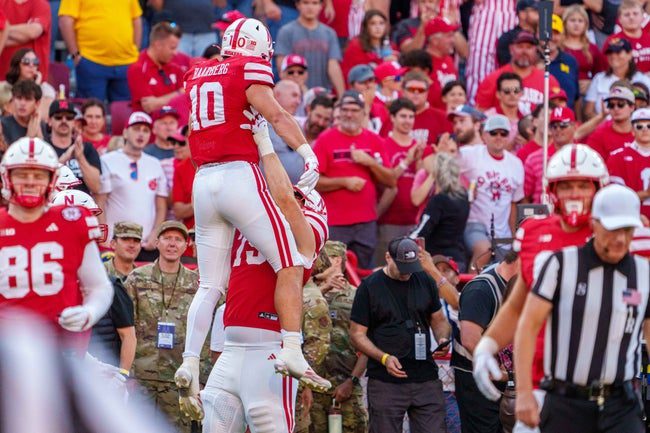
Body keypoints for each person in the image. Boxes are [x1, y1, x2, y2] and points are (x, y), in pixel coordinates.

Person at [179, 17, 328, 404]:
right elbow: (277, 115)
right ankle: (293, 349)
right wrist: (306, 153)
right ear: (254, 45)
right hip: (237, 175)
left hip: (202, 181)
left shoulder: (197, 71)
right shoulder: (248, 67)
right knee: (291, 262)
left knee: (209, 284)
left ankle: (190, 361)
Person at [196, 141, 330, 432]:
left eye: (300, 198)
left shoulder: (310, 231)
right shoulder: (257, 222)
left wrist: (265, 144)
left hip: (269, 351)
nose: (288, 201)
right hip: (231, 350)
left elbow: (283, 198)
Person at [472, 144, 608, 410]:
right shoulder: (533, 231)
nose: (575, 194)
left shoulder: (615, 231)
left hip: (601, 374)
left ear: (598, 188)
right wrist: (488, 344)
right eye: (566, 186)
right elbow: (518, 303)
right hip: (542, 374)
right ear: (552, 190)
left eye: (583, 185)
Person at [514, 184, 647, 432]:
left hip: (622, 402)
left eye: (627, 230)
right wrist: (523, 393)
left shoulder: (643, 273)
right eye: (613, 229)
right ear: (594, 225)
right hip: (567, 401)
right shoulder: (561, 264)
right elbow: (527, 326)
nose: (620, 239)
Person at [0, 137, 112, 354]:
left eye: (39, 175)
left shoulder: (72, 221)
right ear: (7, 177)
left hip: (60, 347)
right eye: (22, 174)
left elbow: (99, 287)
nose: (31, 182)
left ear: (52, 179)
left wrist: (89, 311)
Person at [350, 237, 451, 433]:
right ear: (388, 257)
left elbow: (439, 320)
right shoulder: (370, 287)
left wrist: (442, 338)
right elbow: (357, 334)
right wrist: (384, 358)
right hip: (386, 381)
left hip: (425, 375)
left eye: (412, 267)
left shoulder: (424, 280)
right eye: (402, 267)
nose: (407, 273)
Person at [125, 220, 202, 432]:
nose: (172, 244)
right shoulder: (136, 279)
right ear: (157, 242)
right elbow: (125, 329)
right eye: (167, 238)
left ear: (186, 246)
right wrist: (127, 373)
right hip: (141, 377)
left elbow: (204, 332)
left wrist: (200, 378)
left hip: (179, 379)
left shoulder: (196, 284)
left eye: (178, 239)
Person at [313, 89, 396, 269]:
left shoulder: (374, 140)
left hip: (365, 224)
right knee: (333, 274)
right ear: (339, 111)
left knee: (364, 272)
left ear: (363, 113)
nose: (349, 114)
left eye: (354, 110)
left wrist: (370, 163)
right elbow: (313, 181)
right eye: (345, 109)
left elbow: (391, 181)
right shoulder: (325, 139)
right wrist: (344, 182)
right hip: (335, 223)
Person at [452, 252, 519, 433]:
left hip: (507, 379)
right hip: (478, 379)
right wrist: (503, 371)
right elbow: (470, 339)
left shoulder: (522, 285)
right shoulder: (482, 288)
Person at [308, 240, 369, 433]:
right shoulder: (309, 294)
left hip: (346, 381)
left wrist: (352, 381)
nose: (330, 263)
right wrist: (323, 288)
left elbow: (368, 342)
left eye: (333, 258)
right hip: (313, 383)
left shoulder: (357, 296)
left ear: (340, 261)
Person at [95, 111, 168, 260]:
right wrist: (105, 238)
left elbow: (161, 206)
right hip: (115, 244)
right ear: (125, 133)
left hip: (145, 244)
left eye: (145, 130)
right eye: (136, 129)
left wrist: (155, 234)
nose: (141, 134)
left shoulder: (155, 164)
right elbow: (100, 202)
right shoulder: (107, 160)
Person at [460, 114, 524, 271]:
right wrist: (462, 187)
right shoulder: (470, 154)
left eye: (503, 133)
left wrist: (514, 233)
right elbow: (446, 165)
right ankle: (471, 291)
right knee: (484, 251)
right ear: (483, 135)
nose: (499, 137)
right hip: (474, 223)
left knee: (507, 270)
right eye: (494, 133)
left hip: (503, 230)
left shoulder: (516, 164)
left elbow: (514, 203)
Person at [59, 0, 142, 102]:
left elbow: (136, 18)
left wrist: (135, 51)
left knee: (124, 115)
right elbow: (65, 19)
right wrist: (75, 55)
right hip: (91, 62)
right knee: (91, 113)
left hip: (126, 63)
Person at [376, 98, 424, 264]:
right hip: (389, 221)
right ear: (392, 118)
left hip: (415, 222)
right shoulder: (383, 144)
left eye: (411, 117)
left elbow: (423, 183)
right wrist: (407, 161)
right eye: (403, 116)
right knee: (386, 267)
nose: (408, 121)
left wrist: (418, 162)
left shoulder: (419, 146)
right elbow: (387, 180)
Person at [411, 153, 470, 272]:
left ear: (436, 174)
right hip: (458, 260)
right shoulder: (463, 197)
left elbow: (421, 232)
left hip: (438, 262)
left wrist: (404, 242)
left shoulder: (439, 200)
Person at [476, 31, 560, 115]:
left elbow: (558, 112)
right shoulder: (493, 79)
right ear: (511, 49)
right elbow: (481, 113)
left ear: (535, 50)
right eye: (520, 47)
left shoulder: (548, 80)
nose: (524, 51)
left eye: (529, 47)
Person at [275, 0, 345, 96]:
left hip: (322, 96)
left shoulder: (329, 33)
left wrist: (342, 95)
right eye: (306, 2)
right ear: (298, 5)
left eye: (315, 3)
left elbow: (333, 66)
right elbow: (282, 66)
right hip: (295, 96)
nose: (310, 7)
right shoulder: (286, 32)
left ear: (321, 6)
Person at [584, 38, 650, 118]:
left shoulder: (642, 79)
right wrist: (604, 124)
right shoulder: (599, 78)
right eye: (610, 53)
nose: (613, 56)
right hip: (604, 127)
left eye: (618, 52)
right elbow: (588, 112)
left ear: (630, 54)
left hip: (636, 127)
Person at [523, 106, 577, 204]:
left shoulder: (585, 157)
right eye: (554, 126)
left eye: (563, 125)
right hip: (542, 215)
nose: (558, 129)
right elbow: (525, 197)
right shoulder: (534, 159)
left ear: (574, 126)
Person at [127, 22, 184, 113]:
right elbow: (150, 107)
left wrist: (159, 101)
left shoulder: (176, 67)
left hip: (174, 122)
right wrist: (179, 94)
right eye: (172, 48)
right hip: (148, 124)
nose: (175, 53)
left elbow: (187, 96)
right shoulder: (137, 69)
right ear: (158, 45)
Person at [48, 99, 102, 195]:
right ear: (49, 121)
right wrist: (63, 160)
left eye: (69, 117)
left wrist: (80, 158)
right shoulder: (43, 148)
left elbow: (96, 188)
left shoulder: (87, 148)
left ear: (74, 122)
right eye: (58, 117)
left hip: (81, 206)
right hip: (53, 205)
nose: (64, 120)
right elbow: (42, 184)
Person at [607, 107, 650, 220]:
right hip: (631, 222)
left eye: (649, 126)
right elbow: (615, 201)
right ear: (632, 130)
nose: (645, 130)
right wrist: (645, 193)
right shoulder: (617, 157)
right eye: (639, 126)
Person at [561, 6, 607, 109]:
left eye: (580, 21)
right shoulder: (559, 47)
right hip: (563, 93)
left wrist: (591, 83)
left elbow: (600, 75)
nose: (576, 24)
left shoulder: (592, 48)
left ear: (586, 24)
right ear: (565, 23)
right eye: (572, 20)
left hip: (586, 95)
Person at [0, 0, 51, 82]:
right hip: (3, 80)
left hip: (33, 82)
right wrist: (23, 33)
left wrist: (3, 30)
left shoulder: (41, 4)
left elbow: (33, 32)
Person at [341, 9, 394, 82]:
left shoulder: (390, 45)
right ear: (366, 26)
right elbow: (359, 72)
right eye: (373, 23)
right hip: (361, 85)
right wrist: (383, 63)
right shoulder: (355, 45)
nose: (378, 27)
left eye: (381, 23)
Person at [586, 86, 635, 162]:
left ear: (632, 107)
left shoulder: (642, 131)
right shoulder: (599, 135)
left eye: (620, 104)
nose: (616, 108)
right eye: (611, 105)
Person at [4, 48, 55, 120]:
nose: (31, 65)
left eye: (35, 62)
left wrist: (36, 87)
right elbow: (9, 115)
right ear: (17, 64)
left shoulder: (46, 89)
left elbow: (43, 117)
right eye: (26, 61)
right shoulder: (4, 88)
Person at [603, 0, 650, 73]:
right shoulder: (613, 41)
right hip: (624, 82)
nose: (631, 17)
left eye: (635, 14)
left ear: (642, 17)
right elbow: (607, 69)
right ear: (620, 19)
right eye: (627, 15)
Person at [485, 72, 524, 148]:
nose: (512, 94)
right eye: (507, 91)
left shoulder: (527, 117)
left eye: (516, 91)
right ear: (498, 94)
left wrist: (528, 143)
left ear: (521, 93)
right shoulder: (488, 118)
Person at [1, 79, 46, 143]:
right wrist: (29, 137)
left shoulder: (42, 126)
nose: (22, 103)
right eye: (19, 98)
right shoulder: (3, 125)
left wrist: (39, 134)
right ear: (13, 99)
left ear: (37, 103)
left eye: (28, 99)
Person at [496, 0, 539, 67]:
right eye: (535, 10)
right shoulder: (508, 38)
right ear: (522, 14)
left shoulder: (542, 35)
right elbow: (507, 65)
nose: (539, 13)